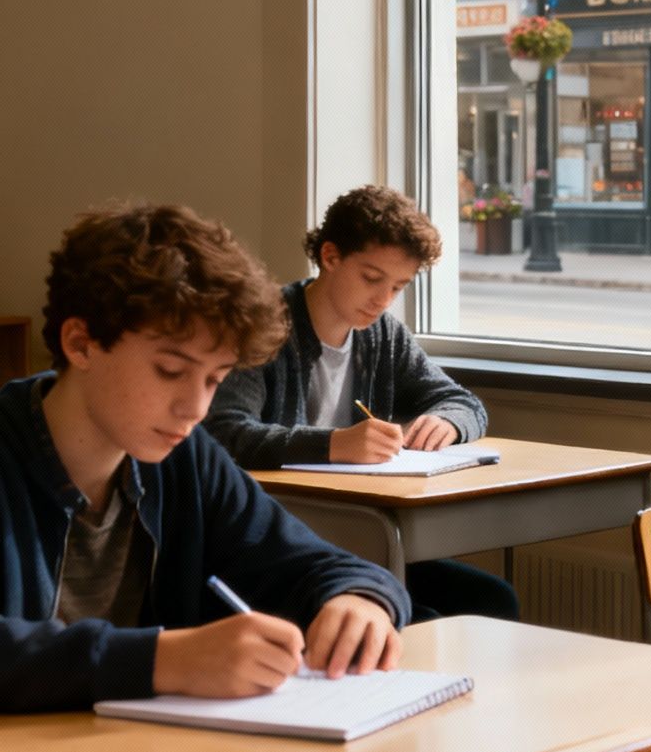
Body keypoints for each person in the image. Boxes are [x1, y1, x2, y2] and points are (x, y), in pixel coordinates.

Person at [0, 204, 410, 752]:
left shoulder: (182, 457)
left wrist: (360, 599)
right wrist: (166, 659)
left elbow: (316, 564)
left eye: (216, 379)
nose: (195, 407)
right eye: (171, 370)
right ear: (80, 342)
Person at [205, 185, 518, 622]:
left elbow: (462, 401)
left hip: (359, 540)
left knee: (490, 600)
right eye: (372, 279)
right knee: (421, 617)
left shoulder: (381, 334)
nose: (384, 299)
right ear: (330, 257)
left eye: (399, 286)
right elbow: (223, 432)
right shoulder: (265, 326)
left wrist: (448, 422)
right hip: (277, 543)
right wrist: (333, 445)